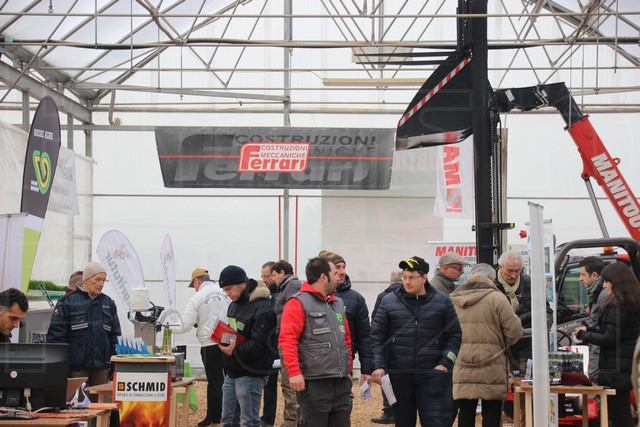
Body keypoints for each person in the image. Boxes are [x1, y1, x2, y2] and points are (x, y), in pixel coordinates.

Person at [371, 256, 462, 427]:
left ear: (424, 277)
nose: (407, 281)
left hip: (432, 375)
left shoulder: (442, 301)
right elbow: (377, 336)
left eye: (412, 277)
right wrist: (378, 365)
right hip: (399, 375)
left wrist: (445, 363)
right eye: (404, 277)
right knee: (403, 422)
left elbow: (454, 336)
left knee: (435, 422)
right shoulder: (388, 301)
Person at [279, 256, 353, 427]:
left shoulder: (337, 303)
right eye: (334, 273)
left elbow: (346, 338)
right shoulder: (298, 302)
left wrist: (348, 368)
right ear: (323, 277)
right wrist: (294, 372)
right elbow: (287, 339)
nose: (339, 276)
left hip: (340, 382)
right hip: (314, 383)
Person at [450, 263, 523, 427]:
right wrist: (503, 343)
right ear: (492, 278)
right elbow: (515, 331)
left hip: (462, 362)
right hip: (492, 363)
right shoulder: (497, 298)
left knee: (465, 412)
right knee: (492, 413)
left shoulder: (453, 298)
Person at [574, 262, 640, 427]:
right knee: (620, 413)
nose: (604, 285)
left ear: (616, 281)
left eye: (606, 281)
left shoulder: (617, 303)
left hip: (615, 367)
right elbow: (613, 331)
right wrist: (589, 329)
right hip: (623, 365)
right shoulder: (629, 301)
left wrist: (585, 335)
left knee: (619, 416)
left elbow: (610, 338)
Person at [47, 261, 121, 389]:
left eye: (103, 280)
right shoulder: (67, 302)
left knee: (101, 400)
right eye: (97, 279)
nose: (101, 284)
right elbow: (56, 337)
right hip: (76, 369)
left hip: (101, 368)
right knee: (76, 400)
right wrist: (63, 366)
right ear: (86, 279)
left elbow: (115, 336)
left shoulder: (109, 303)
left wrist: (114, 363)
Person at [218, 265, 277, 427]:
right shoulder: (234, 305)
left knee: (249, 421)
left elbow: (259, 345)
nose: (227, 293)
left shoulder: (262, 307)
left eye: (228, 289)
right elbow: (234, 332)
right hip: (233, 370)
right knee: (227, 420)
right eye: (224, 290)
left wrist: (234, 351)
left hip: (252, 372)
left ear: (241, 283)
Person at [171, 267, 230, 427]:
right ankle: (224, 417)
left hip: (209, 344)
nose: (194, 288)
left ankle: (215, 419)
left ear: (197, 282)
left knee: (215, 382)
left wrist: (168, 327)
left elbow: (185, 325)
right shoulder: (225, 292)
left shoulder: (197, 298)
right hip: (228, 341)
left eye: (194, 285)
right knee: (230, 381)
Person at [319, 251, 374, 385]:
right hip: (314, 367)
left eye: (344, 267)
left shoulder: (356, 299)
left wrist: (366, 369)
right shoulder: (309, 297)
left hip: (344, 366)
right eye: (337, 267)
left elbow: (364, 336)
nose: (342, 272)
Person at [495, 250, 552, 370]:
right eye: (509, 271)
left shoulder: (530, 283)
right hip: (500, 346)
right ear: (500, 267)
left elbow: (546, 311)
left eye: (518, 271)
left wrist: (546, 323)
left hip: (527, 344)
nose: (514, 275)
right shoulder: (491, 285)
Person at [271, 259, 302, 427]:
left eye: (274, 275)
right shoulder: (287, 287)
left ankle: (292, 421)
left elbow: (295, 313)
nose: (272, 279)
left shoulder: (292, 286)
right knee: (288, 382)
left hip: (290, 341)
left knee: (289, 383)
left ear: (282, 273)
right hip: (286, 338)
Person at [370, 271, 403, 425]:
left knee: (386, 379)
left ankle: (389, 411)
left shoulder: (383, 297)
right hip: (405, 345)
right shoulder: (412, 296)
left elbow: (375, 320)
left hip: (387, 344)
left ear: (390, 281)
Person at [577, 256, 607, 383]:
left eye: (583, 274)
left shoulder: (602, 295)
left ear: (594, 275)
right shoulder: (598, 293)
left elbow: (601, 330)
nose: (580, 278)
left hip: (599, 352)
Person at [260, 261, 278, 427]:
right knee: (269, 384)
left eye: (266, 276)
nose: (263, 280)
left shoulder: (284, 294)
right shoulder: (265, 296)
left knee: (291, 385)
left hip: (284, 345)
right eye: (262, 276)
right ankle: (267, 418)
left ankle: (293, 418)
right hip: (270, 347)